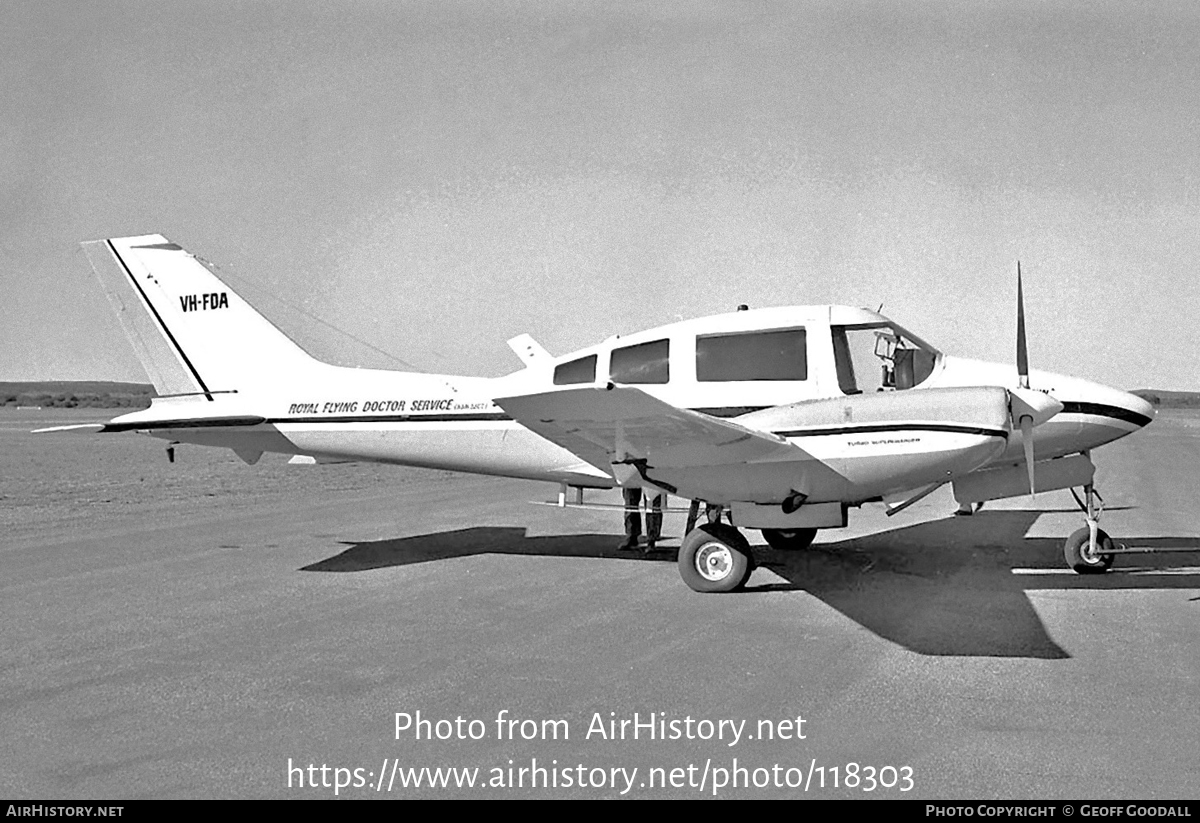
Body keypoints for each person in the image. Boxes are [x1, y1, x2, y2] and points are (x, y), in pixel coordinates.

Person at [618, 486, 665, 552]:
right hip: (631, 477)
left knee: (652, 504)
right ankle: (631, 536)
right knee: (630, 502)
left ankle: (651, 540)